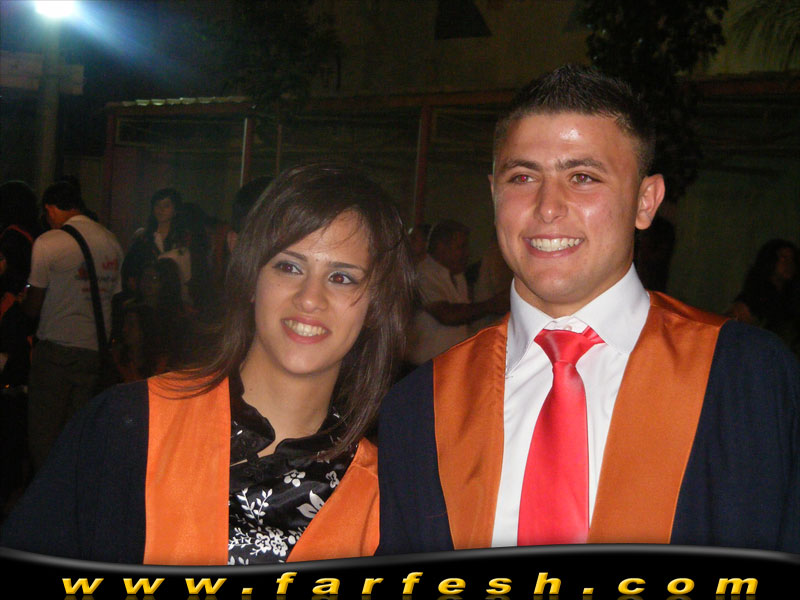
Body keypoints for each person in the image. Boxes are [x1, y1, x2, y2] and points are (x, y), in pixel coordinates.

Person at [377, 65, 800, 555]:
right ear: (494, 195)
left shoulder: (747, 379)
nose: (547, 206)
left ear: (646, 201)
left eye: (582, 177)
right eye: (522, 177)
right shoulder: (421, 407)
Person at [1, 162, 415, 565]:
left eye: (342, 278)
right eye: (289, 266)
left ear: (376, 305)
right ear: (251, 279)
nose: (310, 298)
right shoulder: (129, 428)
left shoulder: (387, 502)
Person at [22, 181, 123, 472]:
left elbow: (34, 304)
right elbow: (115, 299)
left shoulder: (49, 242)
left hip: (56, 349)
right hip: (94, 352)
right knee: (81, 433)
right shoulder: (111, 241)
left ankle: (48, 489)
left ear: (51, 209)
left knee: (44, 433)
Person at [405, 219, 508, 365]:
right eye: (461, 247)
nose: (467, 253)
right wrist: (492, 305)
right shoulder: (423, 274)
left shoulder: (458, 275)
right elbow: (447, 315)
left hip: (450, 365)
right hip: (423, 367)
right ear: (441, 247)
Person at [727, 239, 799, 355]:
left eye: (792, 259)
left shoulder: (790, 302)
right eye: (783, 258)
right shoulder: (750, 301)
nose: (789, 264)